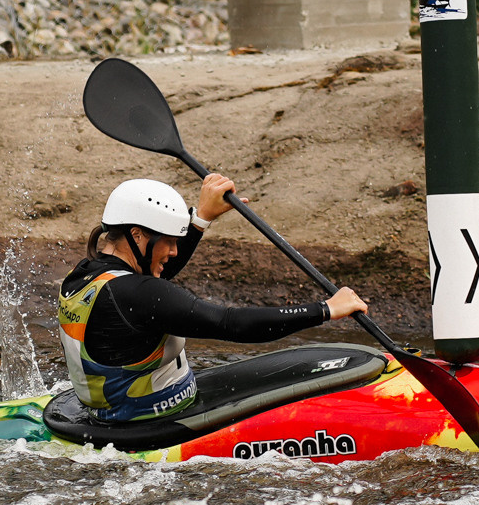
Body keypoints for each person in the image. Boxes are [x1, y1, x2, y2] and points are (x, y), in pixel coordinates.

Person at [58, 173, 367, 424]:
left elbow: (152, 284)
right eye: (168, 241)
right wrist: (325, 310)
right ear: (137, 235)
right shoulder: (138, 294)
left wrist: (201, 217)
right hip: (153, 424)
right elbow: (230, 324)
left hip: (112, 416)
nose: (175, 252)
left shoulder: (85, 274)